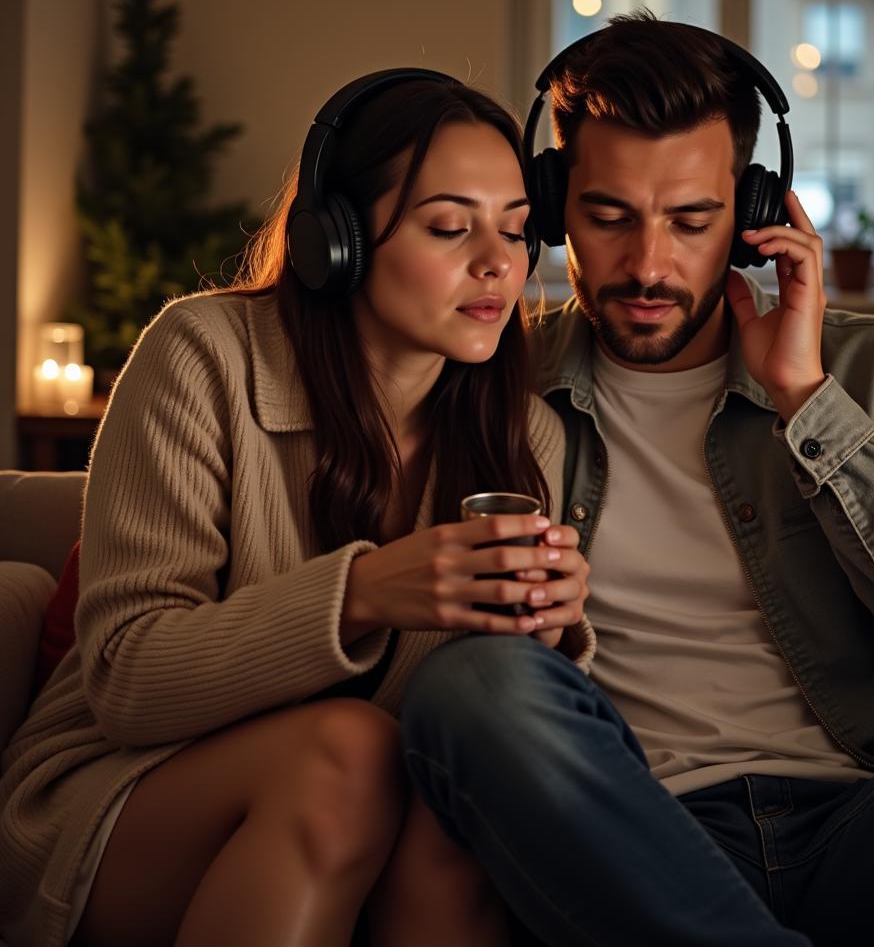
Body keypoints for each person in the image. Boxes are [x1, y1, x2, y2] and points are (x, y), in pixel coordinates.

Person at [400, 13, 874, 946]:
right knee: (471, 683)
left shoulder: (872, 372)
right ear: (554, 204)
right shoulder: (492, 385)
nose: (649, 264)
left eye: (692, 221)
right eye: (608, 217)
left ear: (752, 216)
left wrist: (807, 403)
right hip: (642, 841)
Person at [0, 69, 594, 947]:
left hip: (378, 817)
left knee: (462, 800)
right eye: (447, 226)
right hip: (121, 794)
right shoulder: (200, 358)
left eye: (515, 230)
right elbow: (125, 678)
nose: (498, 263)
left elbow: (500, 736)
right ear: (338, 239)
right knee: (348, 752)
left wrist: (555, 637)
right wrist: (363, 594)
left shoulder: (526, 436)